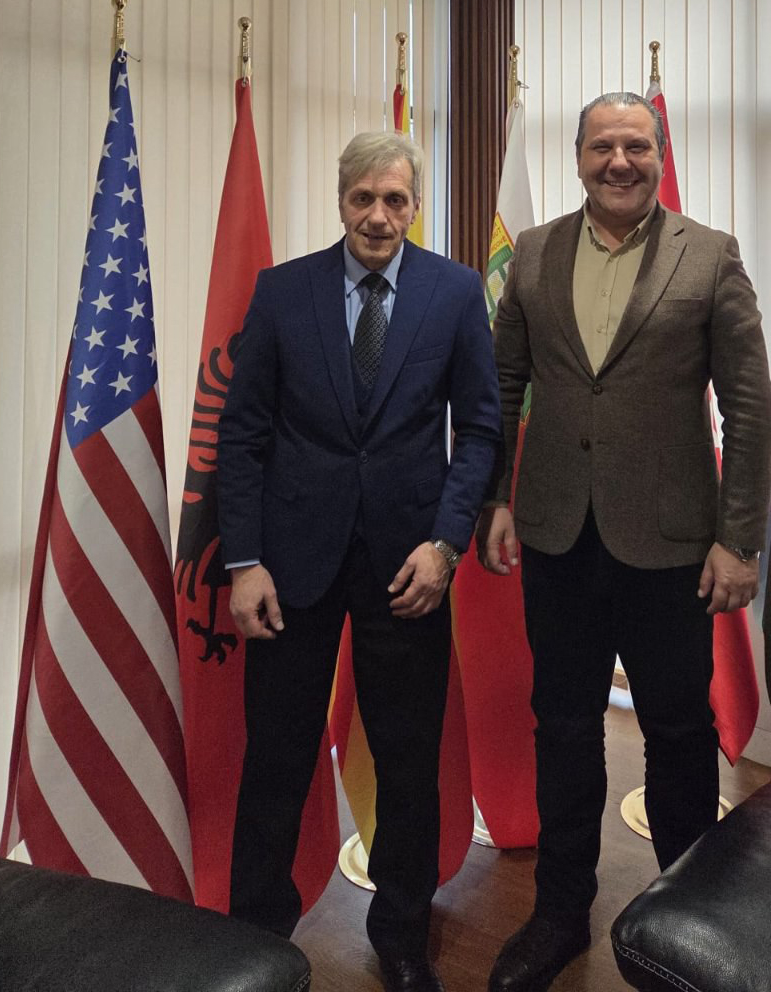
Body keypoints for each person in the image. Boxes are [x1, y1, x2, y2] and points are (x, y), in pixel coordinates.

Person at [478, 92, 771, 992]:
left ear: (658, 155)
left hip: (673, 544)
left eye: (637, 146)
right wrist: (494, 501)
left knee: (678, 732)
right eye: (603, 146)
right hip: (556, 534)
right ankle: (560, 911)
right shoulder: (533, 254)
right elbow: (502, 387)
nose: (620, 161)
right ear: (577, 157)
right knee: (565, 726)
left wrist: (738, 542)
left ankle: (685, 924)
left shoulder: (711, 255)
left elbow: (751, 408)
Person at [218, 130, 501, 992]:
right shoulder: (283, 292)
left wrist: (446, 545)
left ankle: (403, 937)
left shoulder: (455, 293)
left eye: (395, 200)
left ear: (415, 205)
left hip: (408, 567)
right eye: (363, 198)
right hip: (289, 569)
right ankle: (255, 937)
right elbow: (242, 434)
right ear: (341, 199)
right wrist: (244, 561)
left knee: (408, 764)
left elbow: (480, 430)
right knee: (276, 759)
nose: (379, 216)